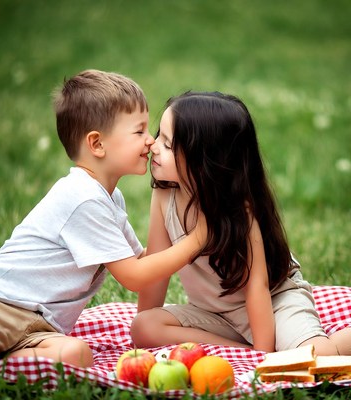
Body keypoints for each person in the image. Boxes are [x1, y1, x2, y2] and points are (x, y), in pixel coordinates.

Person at [0, 70, 205, 371]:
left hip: (41, 325)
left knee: (77, 356)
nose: (150, 142)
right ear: (97, 144)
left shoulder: (109, 198)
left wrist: (187, 228)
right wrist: (197, 239)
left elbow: (139, 259)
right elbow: (135, 276)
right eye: (139, 132)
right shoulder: (83, 198)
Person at [131, 91, 351, 356]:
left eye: (168, 145)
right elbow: (157, 266)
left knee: (319, 356)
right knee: (144, 327)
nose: (154, 145)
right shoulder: (165, 194)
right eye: (160, 136)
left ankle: (283, 350)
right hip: (213, 315)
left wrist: (263, 350)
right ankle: (244, 351)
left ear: (204, 162)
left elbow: (256, 287)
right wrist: (143, 329)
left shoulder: (237, 209)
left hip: (273, 303)